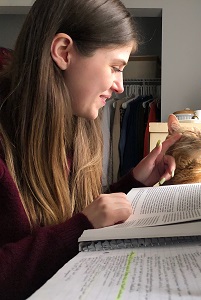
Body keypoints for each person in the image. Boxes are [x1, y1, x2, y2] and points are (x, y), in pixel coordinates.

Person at [0, 0, 180, 298]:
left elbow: (67, 216)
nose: (120, 86)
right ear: (63, 52)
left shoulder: (77, 127)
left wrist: (134, 182)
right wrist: (82, 227)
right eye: (114, 67)